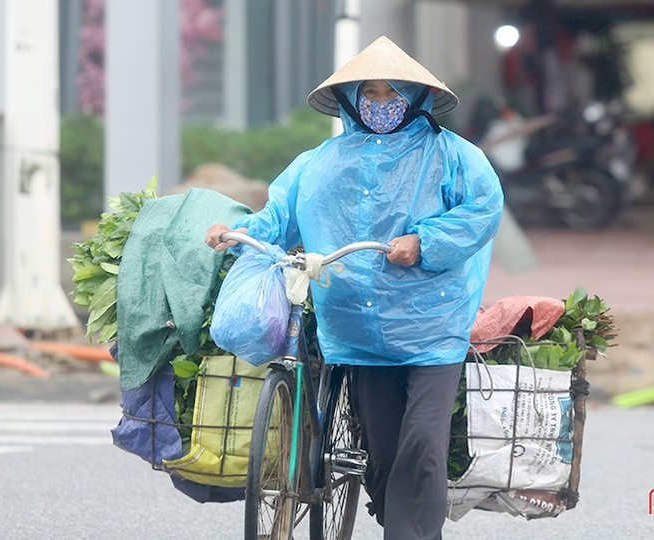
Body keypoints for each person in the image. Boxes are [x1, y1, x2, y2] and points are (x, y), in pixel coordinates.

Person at [205, 36, 503, 540]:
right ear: (352, 99)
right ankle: (400, 524)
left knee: (423, 445)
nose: (381, 103)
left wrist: (424, 241)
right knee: (383, 457)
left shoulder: (455, 156)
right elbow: (280, 216)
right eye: (371, 92)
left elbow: (483, 211)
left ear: (414, 98)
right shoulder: (319, 161)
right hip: (357, 329)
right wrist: (239, 233)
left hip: (432, 328)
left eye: (392, 93)